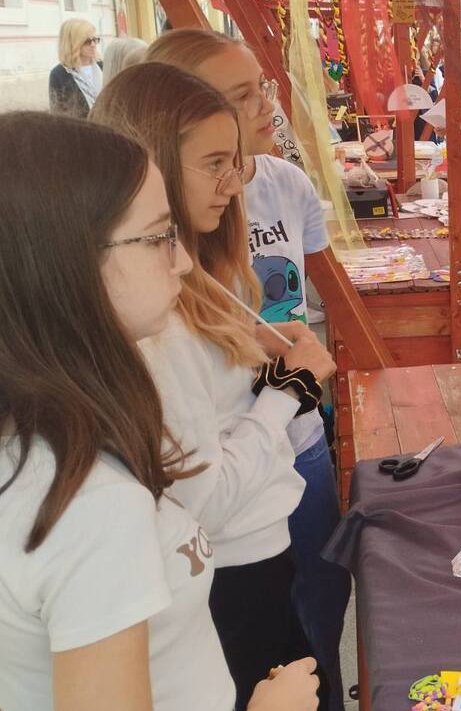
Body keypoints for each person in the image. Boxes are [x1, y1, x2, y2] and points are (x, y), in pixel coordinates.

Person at [0, 112, 318, 711]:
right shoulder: (92, 508)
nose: (182, 261)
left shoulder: (50, 444)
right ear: (64, 263)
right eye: (157, 236)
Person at [91, 64, 335, 711]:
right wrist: (289, 389)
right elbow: (207, 495)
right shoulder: (157, 326)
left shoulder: (182, 295)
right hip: (233, 561)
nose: (235, 182)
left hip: (248, 550)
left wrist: (253, 353)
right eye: (216, 164)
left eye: (237, 163)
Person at [49, 18, 102, 117]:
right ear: (72, 43)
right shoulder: (59, 74)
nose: (93, 45)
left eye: (95, 40)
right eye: (87, 41)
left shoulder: (103, 66)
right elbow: (57, 114)